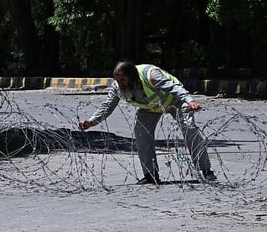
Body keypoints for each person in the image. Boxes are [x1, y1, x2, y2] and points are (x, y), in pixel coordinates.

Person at [78, 61, 217, 184]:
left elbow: (175, 88)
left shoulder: (150, 74)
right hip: (151, 108)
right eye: (117, 79)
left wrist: (189, 101)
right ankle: (150, 174)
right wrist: (91, 122)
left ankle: (205, 170)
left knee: (189, 129)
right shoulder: (118, 87)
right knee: (141, 133)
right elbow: (107, 106)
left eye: (122, 79)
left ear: (132, 75)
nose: (120, 83)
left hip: (175, 101)